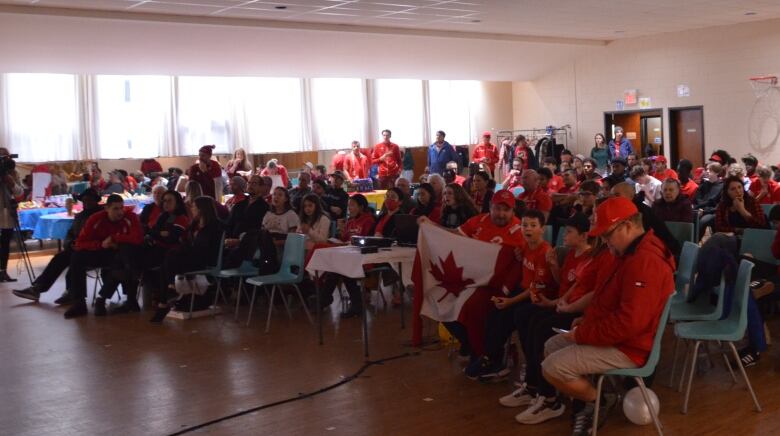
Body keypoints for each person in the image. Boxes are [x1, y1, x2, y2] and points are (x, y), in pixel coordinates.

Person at [542, 197, 674, 436]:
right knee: (552, 346)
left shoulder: (645, 262)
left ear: (627, 226)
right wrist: (587, 322)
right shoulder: (629, 253)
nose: (603, 241)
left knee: (552, 368)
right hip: (621, 340)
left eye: (607, 234)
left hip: (630, 349)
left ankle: (600, 400)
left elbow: (629, 323)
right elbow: (610, 300)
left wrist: (584, 334)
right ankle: (591, 401)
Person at [498, 213, 596, 424]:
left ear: (584, 236)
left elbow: (580, 292)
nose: (564, 235)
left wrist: (556, 304)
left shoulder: (590, 259)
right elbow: (565, 283)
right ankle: (532, 386)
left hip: (576, 312)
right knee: (524, 316)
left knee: (540, 328)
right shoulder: (571, 254)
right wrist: (554, 267)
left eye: (569, 232)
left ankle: (550, 398)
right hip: (562, 304)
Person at [420, 190, 526, 362]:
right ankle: (469, 343)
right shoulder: (480, 220)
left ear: (513, 212)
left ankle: (482, 351)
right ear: (490, 207)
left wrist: (523, 255)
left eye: (506, 210)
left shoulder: (519, 230)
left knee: (469, 306)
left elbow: (528, 256)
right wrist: (431, 226)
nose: (501, 214)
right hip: (470, 278)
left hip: (495, 284)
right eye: (497, 208)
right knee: (438, 296)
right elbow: (454, 234)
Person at [466, 209, 555, 381]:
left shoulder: (545, 252)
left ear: (542, 229)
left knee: (513, 314)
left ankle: (504, 362)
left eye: (533, 225)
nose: (527, 229)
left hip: (535, 296)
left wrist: (510, 301)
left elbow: (535, 288)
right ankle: (492, 358)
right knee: (492, 311)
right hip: (521, 290)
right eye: (524, 225)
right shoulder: (523, 247)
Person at [12, 189, 103, 303]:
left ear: (96, 201)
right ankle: (37, 289)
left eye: (89, 200)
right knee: (59, 258)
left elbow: (100, 236)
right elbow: (70, 234)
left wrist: (82, 245)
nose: (86, 203)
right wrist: (70, 244)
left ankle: (71, 293)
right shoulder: (80, 216)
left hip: (93, 250)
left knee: (74, 261)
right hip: (77, 248)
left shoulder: (101, 216)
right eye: (84, 200)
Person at [63, 194, 144, 319]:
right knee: (77, 258)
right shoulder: (96, 219)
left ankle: (108, 299)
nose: (120, 212)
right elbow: (80, 243)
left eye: (122, 208)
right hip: (101, 250)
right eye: (115, 209)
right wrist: (101, 244)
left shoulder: (130, 217)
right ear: (106, 208)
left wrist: (114, 238)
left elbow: (138, 239)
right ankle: (79, 303)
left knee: (125, 257)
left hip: (122, 253)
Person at [151, 196, 223, 323]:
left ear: (201, 209)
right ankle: (166, 297)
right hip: (192, 256)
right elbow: (188, 242)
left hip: (205, 259)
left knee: (170, 258)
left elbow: (206, 248)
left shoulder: (215, 226)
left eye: (194, 207)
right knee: (167, 261)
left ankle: (165, 299)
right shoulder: (195, 224)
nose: (192, 209)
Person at [318, 194, 375, 318]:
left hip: (363, 257)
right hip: (348, 257)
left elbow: (367, 239)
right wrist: (340, 231)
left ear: (361, 207)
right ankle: (354, 304)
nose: (349, 208)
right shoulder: (350, 222)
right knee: (337, 268)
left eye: (353, 205)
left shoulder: (368, 220)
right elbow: (343, 239)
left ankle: (326, 299)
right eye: (349, 205)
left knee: (340, 269)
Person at [0, 149, 22, 283]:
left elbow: (20, 192)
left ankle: (3, 271)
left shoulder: (13, 173)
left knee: (5, 243)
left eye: (4, 158)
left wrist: (10, 180)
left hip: (7, 212)